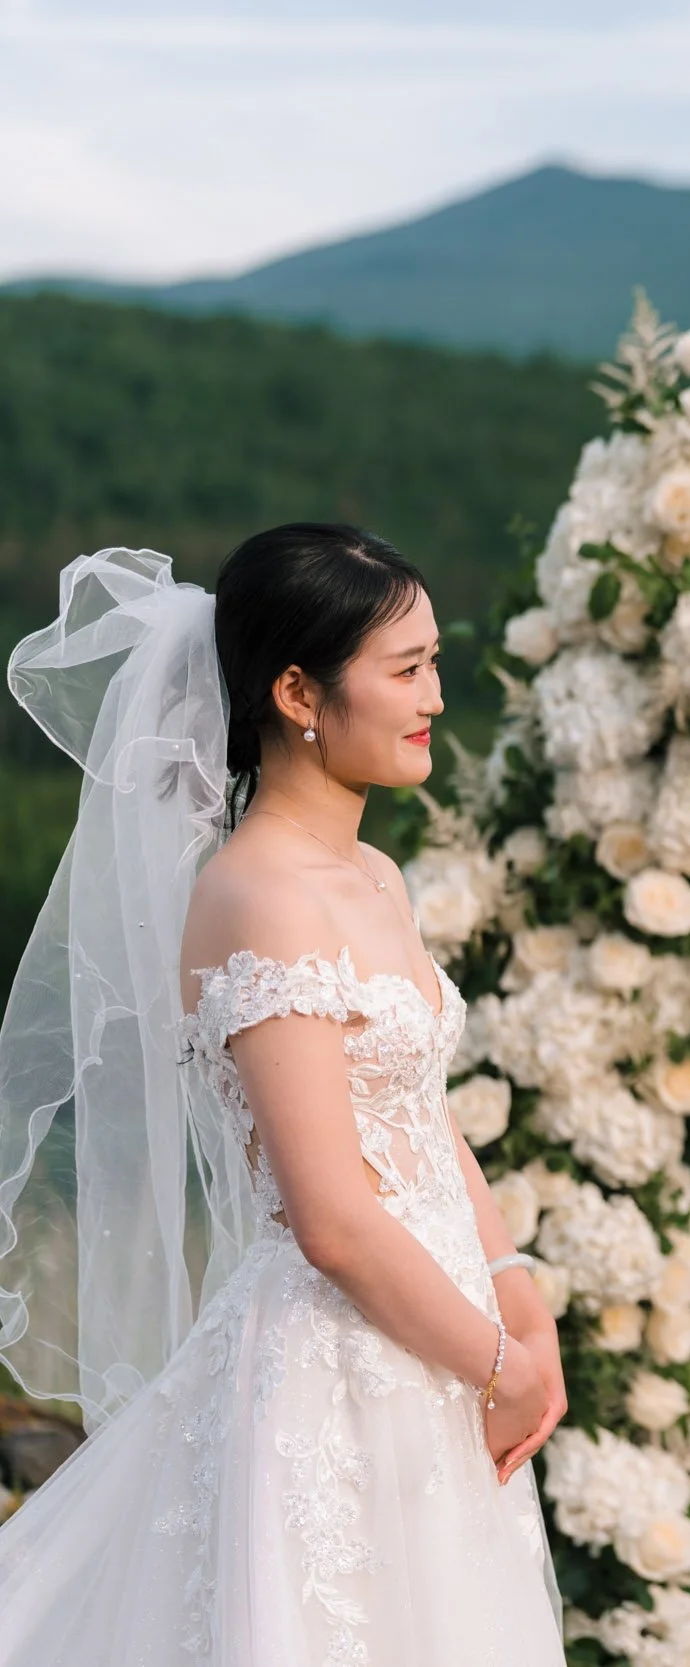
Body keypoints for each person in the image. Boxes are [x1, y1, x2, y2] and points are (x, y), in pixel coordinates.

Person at [0, 531, 568, 1663]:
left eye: (433, 662)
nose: (435, 698)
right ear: (298, 690)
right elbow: (333, 1215)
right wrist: (499, 1368)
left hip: (438, 1337)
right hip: (332, 1363)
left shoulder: (374, 875)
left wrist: (514, 1293)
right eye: (404, 669)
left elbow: (417, 1105)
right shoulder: (258, 894)